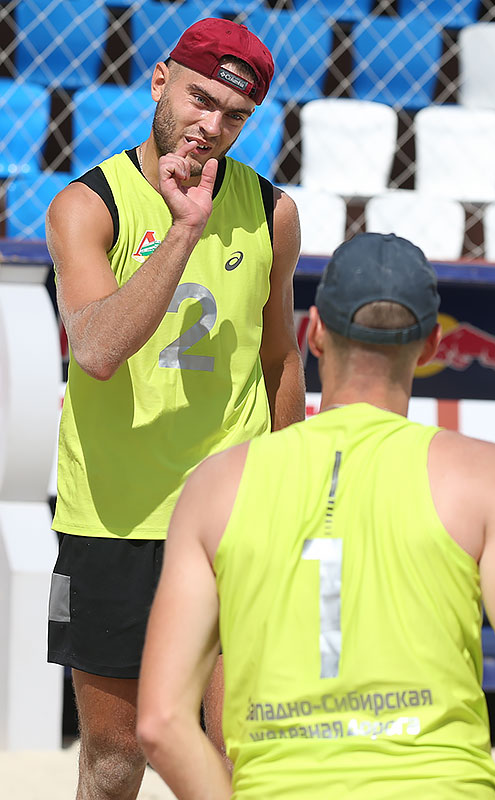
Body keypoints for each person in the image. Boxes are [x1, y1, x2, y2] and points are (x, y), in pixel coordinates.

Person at [137, 232, 495, 799]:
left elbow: (161, 722)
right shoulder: (486, 479)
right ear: (430, 346)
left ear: (315, 333)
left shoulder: (216, 486)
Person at [46, 17, 305, 800]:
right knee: (116, 756)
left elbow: (279, 357)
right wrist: (185, 231)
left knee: (234, 752)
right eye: (200, 100)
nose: (211, 126)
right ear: (161, 80)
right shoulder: (87, 205)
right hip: (116, 517)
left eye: (234, 116)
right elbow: (96, 350)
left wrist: (295, 492)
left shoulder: (271, 210)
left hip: (233, 515)